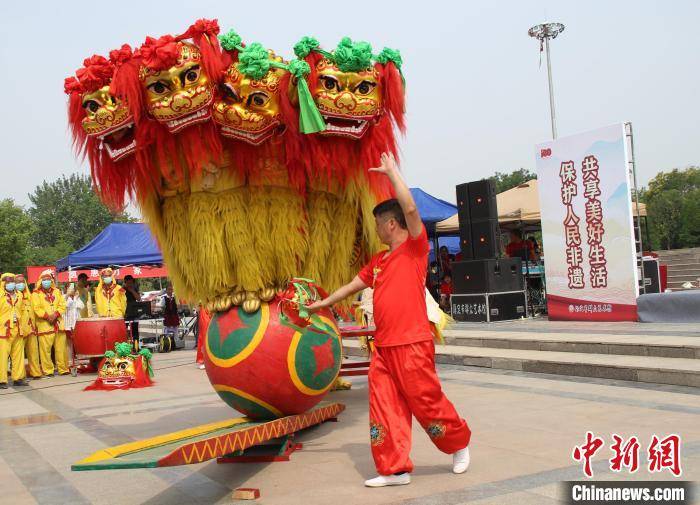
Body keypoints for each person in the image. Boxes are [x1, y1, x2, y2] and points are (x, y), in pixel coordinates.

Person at [307, 153, 471, 488]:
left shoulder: (414, 248)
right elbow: (354, 285)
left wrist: (393, 174)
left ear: (390, 224)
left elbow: (411, 210)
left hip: (412, 344)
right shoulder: (379, 260)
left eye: (379, 225)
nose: (377, 230)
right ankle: (395, 469)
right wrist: (323, 302)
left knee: (426, 401)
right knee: (385, 406)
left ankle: (459, 444)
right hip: (383, 348)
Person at [31, 270, 67, 376]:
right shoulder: (35, 294)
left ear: (51, 281)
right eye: (44, 280)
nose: (46, 282)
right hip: (44, 325)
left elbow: (62, 305)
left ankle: (63, 369)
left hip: (58, 323)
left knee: (61, 349)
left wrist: (55, 315)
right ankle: (48, 370)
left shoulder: (57, 291)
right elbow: (37, 308)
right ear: (40, 281)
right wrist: (48, 317)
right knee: (45, 350)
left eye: (48, 280)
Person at [0, 273, 29, 388]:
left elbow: (22, 311)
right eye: (7, 281)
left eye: (12, 281)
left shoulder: (19, 295)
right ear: (3, 283)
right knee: (2, 356)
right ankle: (2, 380)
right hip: (3, 330)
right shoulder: (0, 296)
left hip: (18, 329)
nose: (10, 283)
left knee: (18, 355)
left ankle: (18, 378)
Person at [16, 274, 41, 380]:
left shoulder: (30, 296)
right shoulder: (14, 297)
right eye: (18, 282)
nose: (20, 284)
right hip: (19, 331)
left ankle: (35, 373)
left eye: (22, 282)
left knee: (34, 353)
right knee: (19, 355)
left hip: (31, 329)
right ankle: (20, 375)